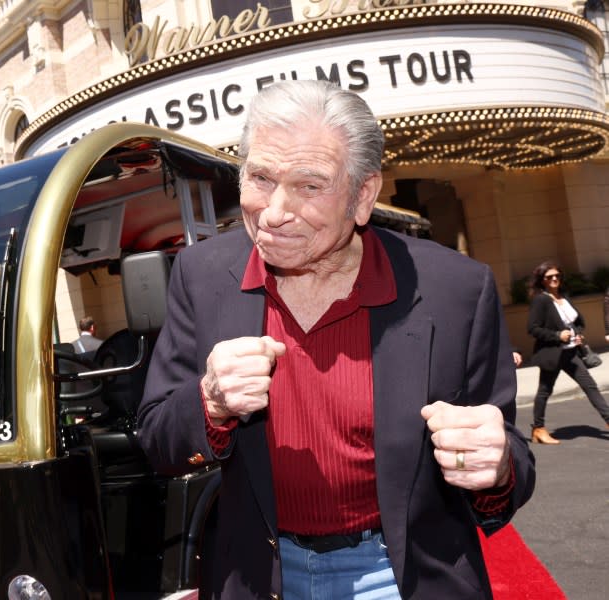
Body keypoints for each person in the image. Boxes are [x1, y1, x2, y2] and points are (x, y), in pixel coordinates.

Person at [138, 80, 535, 599]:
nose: (275, 212)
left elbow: (511, 472)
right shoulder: (200, 275)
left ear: (363, 195)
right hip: (260, 574)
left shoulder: (456, 290)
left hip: (402, 576)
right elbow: (157, 441)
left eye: (309, 185)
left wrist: (496, 462)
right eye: (260, 177)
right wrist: (209, 404)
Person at [526, 262, 609, 443]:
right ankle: (538, 429)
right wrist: (557, 335)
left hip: (570, 353)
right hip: (552, 354)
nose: (554, 279)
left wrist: (577, 334)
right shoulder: (541, 300)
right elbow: (532, 328)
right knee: (544, 391)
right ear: (542, 280)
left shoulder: (564, 297)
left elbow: (577, 322)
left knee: (590, 386)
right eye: (549, 277)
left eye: (557, 275)